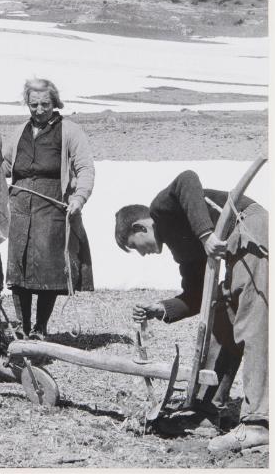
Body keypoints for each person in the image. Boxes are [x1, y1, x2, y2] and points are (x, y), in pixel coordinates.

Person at [115, 169, 268, 454]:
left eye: (135, 248)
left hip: (247, 225)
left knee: (251, 319)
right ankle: (206, 412)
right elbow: (198, 296)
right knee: (222, 322)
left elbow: (187, 179)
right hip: (233, 241)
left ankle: (258, 423)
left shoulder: (162, 209)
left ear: (139, 227)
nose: (143, 254)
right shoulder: (182, 249)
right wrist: (160, 309)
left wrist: (206, 234)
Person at [3, 78, 95, 340]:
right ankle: (21, 326)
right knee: (18, 270)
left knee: (46, 269)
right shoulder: (19, 131)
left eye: (45, 104)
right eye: (34, 104)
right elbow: (5, 166)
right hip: (19, 207)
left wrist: (79, 198)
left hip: (52, 207)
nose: (39, 110)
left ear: (55, 103)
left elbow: (85, 168)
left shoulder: (70, 131)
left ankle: (40, 328)